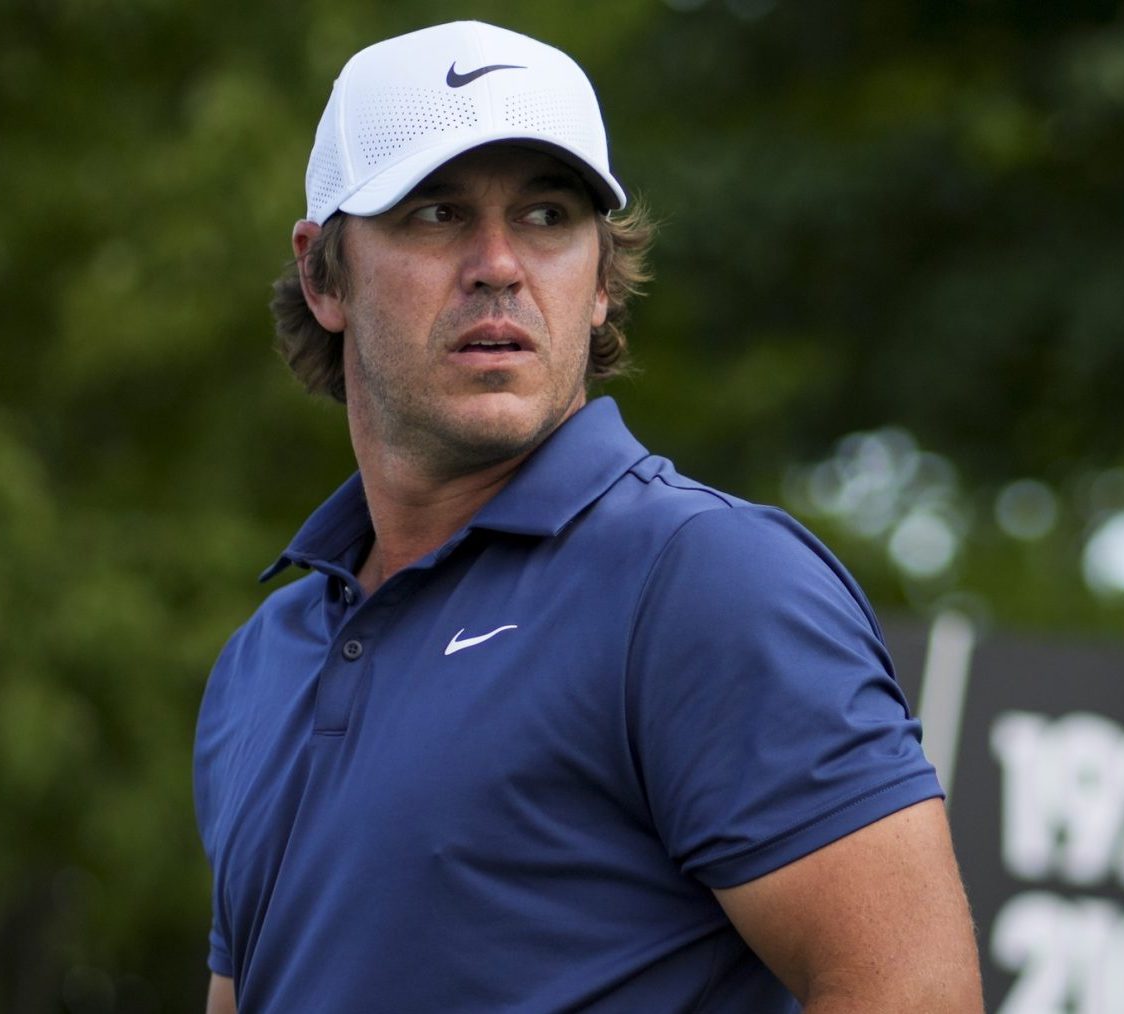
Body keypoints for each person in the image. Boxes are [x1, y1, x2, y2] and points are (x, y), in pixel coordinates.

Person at [194, 20, 982, 1013]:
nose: (497, 263)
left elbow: (914, 995)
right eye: (436, 212)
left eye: (547, 215)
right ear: (322, 275)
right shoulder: (262, 659)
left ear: (601, 280)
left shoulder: (709, 579)